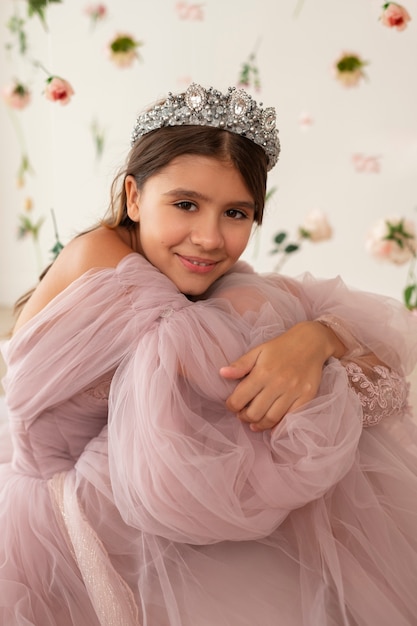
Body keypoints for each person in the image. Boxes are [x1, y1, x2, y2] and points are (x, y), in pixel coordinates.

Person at [0, 82, 416, 626]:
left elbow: (382, 375)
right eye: (186, 204)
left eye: (236, 214)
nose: (209, 238)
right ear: (132, 197)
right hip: (65, 521)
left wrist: (319, 338)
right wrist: (313, 340)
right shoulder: (104, 263)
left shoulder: (205, 284)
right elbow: (249, 389)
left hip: (128, 498)